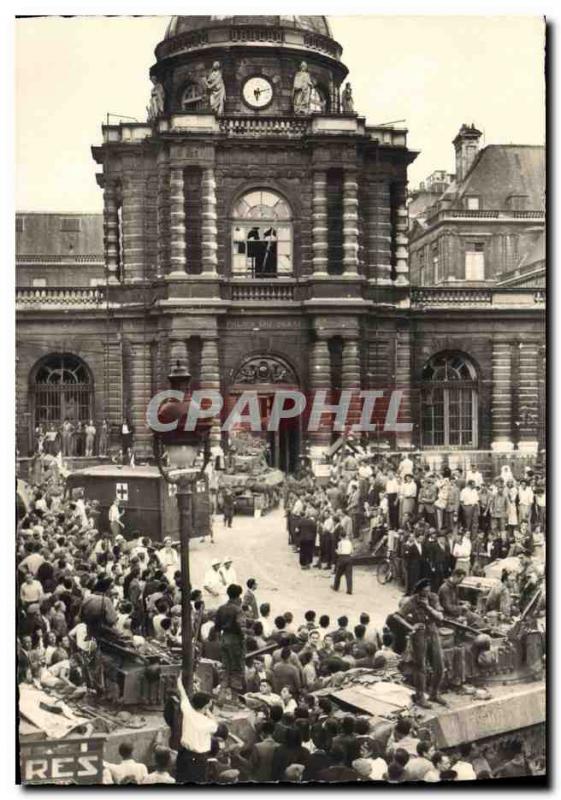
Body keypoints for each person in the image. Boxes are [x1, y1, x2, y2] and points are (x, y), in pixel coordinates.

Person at [398, 578, 446, 708]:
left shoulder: (433, 598)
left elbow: (440, 616)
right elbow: (397, 615)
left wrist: (427, 607)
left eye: (428, 590)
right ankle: (420, 697)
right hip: (419, 634)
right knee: (420, 667)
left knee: (439, 665)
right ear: (418, 591)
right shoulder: (412, 601)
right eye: (424, 591)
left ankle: (434, 693)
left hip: (433, 631)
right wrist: (410, 627)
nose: (426, 593)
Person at [175, 675, 218, 783]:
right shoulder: (208, 723)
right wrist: (207, 711)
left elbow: (183, 695)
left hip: (183, 755)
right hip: (198, 759)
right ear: (206, 706)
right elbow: (215, 722)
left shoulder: (188, 712)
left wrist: (179, 681)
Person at [215, 584, 246, 697]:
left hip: (224, 639)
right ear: (238, 596)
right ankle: (234, 698)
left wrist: (221, 641)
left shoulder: (221, 608)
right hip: (235, 640)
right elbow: (241, 627)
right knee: (236, 669)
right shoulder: (238, 610)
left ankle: (222, 695)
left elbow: (217, 628)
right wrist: (243, 640)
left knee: (225, 668)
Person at [332, 530, 353, 594]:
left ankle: (336, 587)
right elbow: (352, 551)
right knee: (349, 575)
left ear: (340, 536)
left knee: (338, 574)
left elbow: (339, 552)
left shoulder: (340, 543)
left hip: (342, 558)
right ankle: (349, 589)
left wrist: (336, 551)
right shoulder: (349, 542)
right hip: (349, 558)